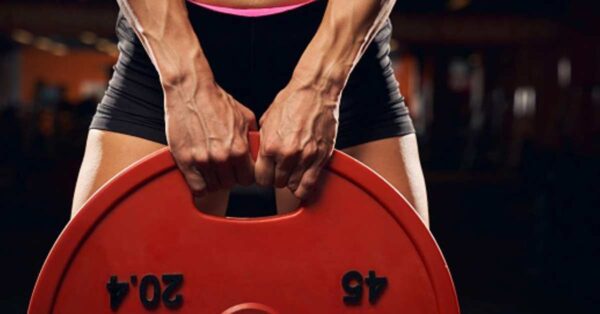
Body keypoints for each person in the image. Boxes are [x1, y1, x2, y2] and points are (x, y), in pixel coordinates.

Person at [71, 0, 429, 226]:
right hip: (164, 46)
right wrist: (185, 83)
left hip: (342, 39)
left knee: (397, 288)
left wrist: (321, 85)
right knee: (99, 285)